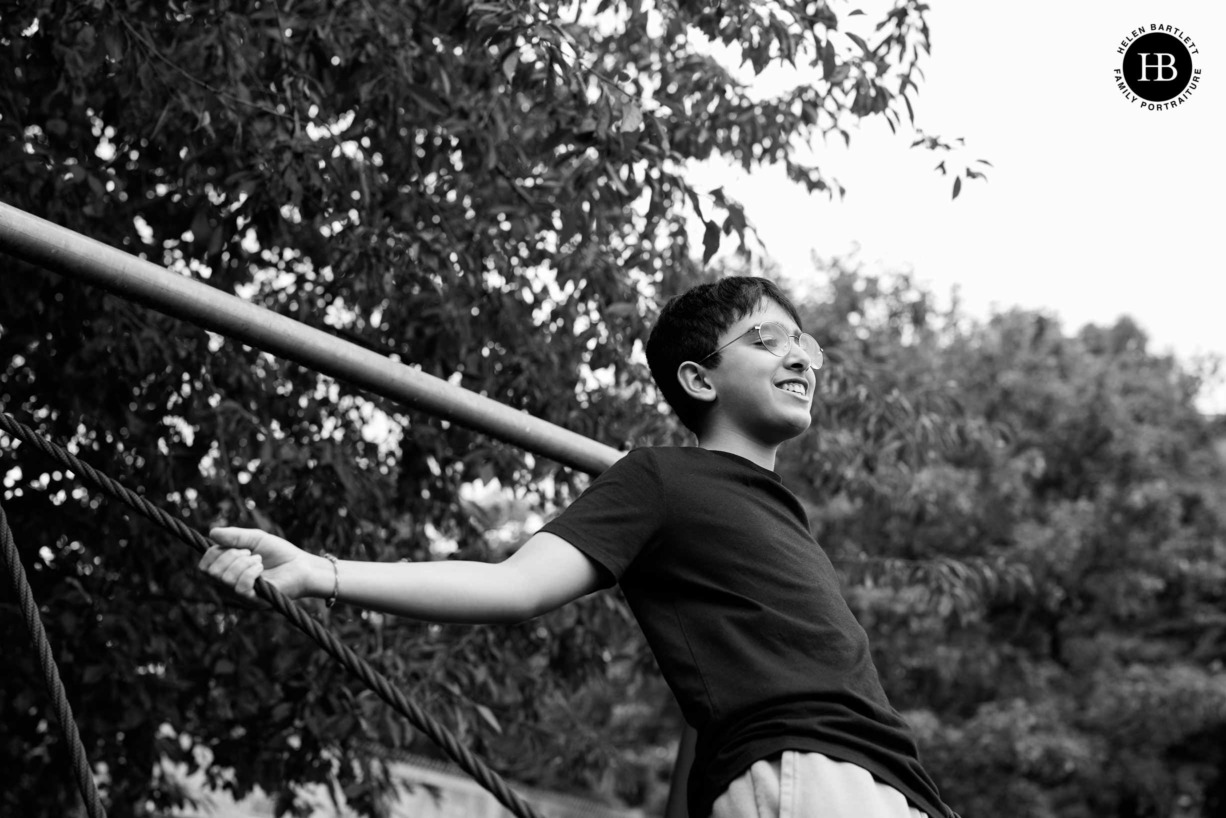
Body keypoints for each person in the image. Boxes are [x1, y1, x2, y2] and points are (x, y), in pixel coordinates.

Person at [200, 276, 958, 818]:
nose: (801, 357)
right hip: (809, 776)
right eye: (768, 339)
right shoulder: (660, 479)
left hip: (892, 785)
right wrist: (321, 572)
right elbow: (513, 587)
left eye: (806, 344)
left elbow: (709, 705)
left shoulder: (778, 516)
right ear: (698, 379)